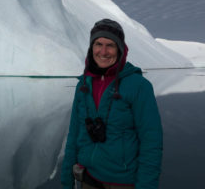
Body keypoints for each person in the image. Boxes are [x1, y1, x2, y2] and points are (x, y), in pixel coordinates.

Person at [61, 19, 163, 189]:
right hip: (88, 178)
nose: (103, 51)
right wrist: (66, 180)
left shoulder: (138, 86)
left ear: (120, 50)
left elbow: (151, 142)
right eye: (98, 44)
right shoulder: (84, 85)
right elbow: (74, 134)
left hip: (123, 182)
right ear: (91, 48)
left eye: (110, 45)